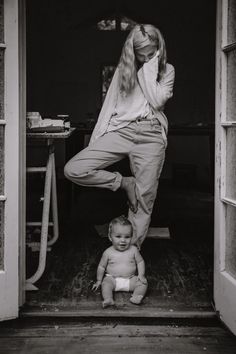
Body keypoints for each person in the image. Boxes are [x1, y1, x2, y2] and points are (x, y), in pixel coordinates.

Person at [64, 24, 175, 249]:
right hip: (121, 132)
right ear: (131, 51)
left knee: (143, 204)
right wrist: (97, 139)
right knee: (73, 169)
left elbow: (157, 101)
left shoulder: (167, 70)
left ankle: (127, 259)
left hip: (151, 135)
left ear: (159, 49)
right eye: (140, 54)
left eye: (150, 54)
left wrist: (149, 67)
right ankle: (125, 183)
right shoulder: (123, 71)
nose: (145, 59)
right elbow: (109, 107)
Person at [92, 215, 148, 308]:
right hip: (112, 279)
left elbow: (140, 262)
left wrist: (141, 275)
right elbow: (101, 266)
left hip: (130, 280)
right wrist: (98, 280)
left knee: (143, 283)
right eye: (118, 236)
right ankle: (108, 299)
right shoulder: (108, 252)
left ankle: (137, 296)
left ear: (131, 237)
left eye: (127, 237)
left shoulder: (134, 250)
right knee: (105, 284)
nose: (123, 240)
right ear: (110, 237)